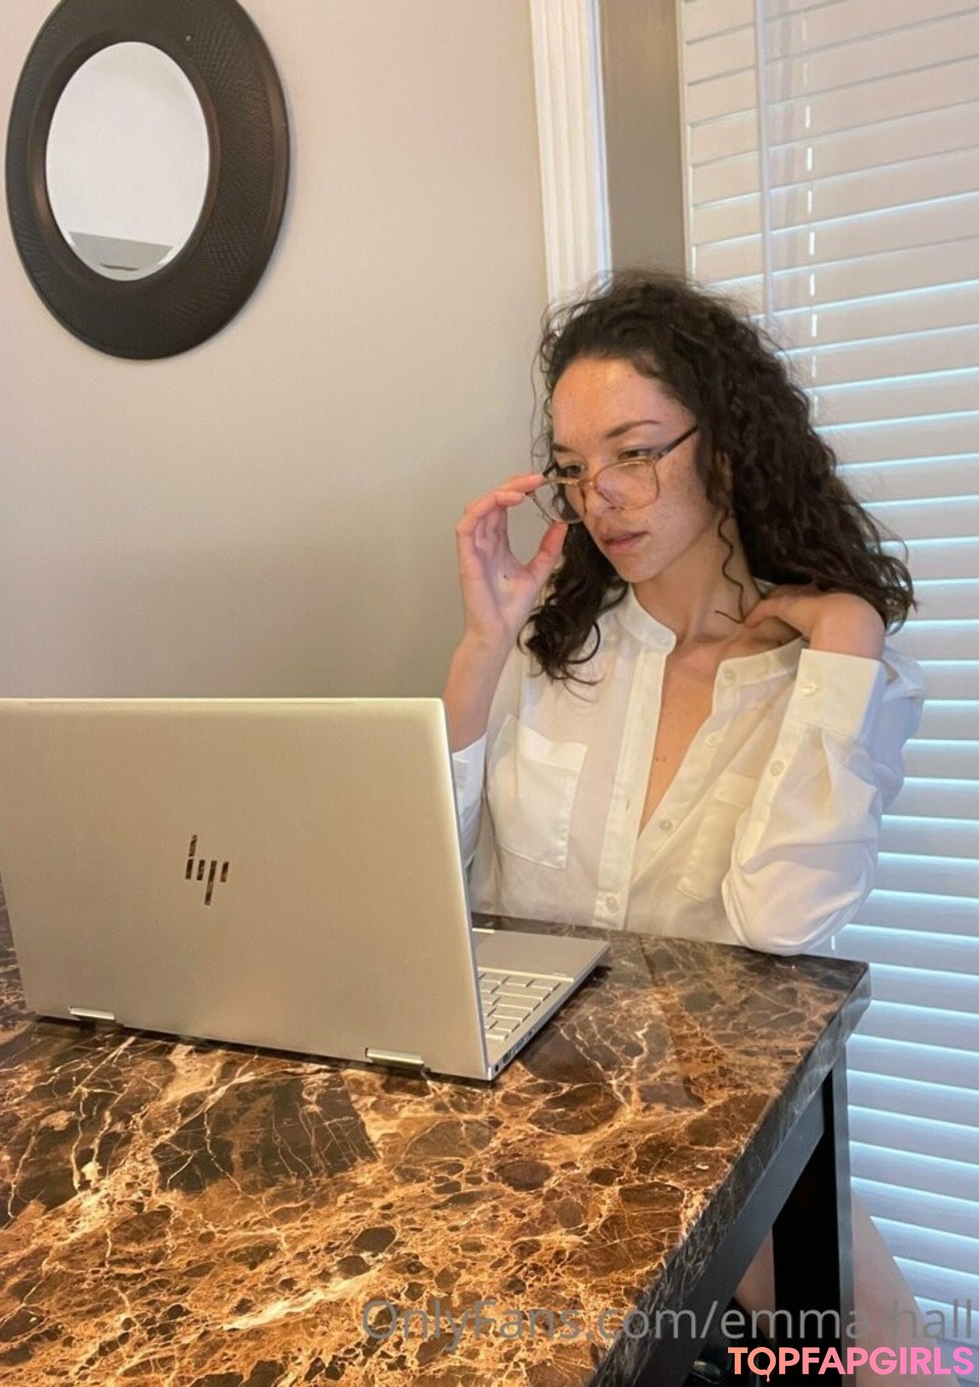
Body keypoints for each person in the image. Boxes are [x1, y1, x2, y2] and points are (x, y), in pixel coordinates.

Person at [441, 270, 943, 1385]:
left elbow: (781, 918)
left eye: (636, 452)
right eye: (575, 468)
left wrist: (847, 637)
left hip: (716, 1130)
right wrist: (482, 648)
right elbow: (426, 880)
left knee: (894, 1363)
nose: (603, 497)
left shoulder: (836, 677)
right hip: (519, 1115)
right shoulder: (550, 648)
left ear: (725, 443)